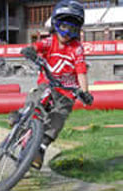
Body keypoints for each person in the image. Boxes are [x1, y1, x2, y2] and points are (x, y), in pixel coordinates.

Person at [10, 0, 93, 170]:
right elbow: (37, 46)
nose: (66, 33)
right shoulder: (51, 41)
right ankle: (22, 115)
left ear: (77, 31)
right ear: (56, 24)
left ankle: (40, 149)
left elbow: (81, 71)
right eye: (63, 26)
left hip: (66, 92)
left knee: (59, 116)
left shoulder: (76, 48)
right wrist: (31, 50)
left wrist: (85, 92)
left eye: (72, 28)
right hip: (47, 83)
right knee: (37, 97)